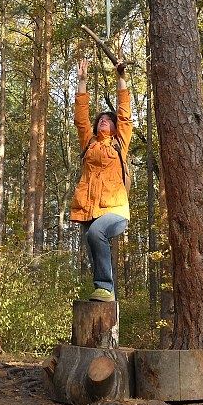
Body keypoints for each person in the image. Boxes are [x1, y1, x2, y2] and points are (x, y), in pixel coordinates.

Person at [70, 57, 132, 302]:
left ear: (116, 128)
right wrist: (82, 81)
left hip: (115, 210)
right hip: (88, 209)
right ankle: (107, 303)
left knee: (96, 233)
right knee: (94, 251)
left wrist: (121, 79)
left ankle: (104, 286)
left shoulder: (119, 144)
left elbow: (125, 115)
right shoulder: (89, 143)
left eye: (109, 119)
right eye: (101, 120)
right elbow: (81, 118)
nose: (103, 120)